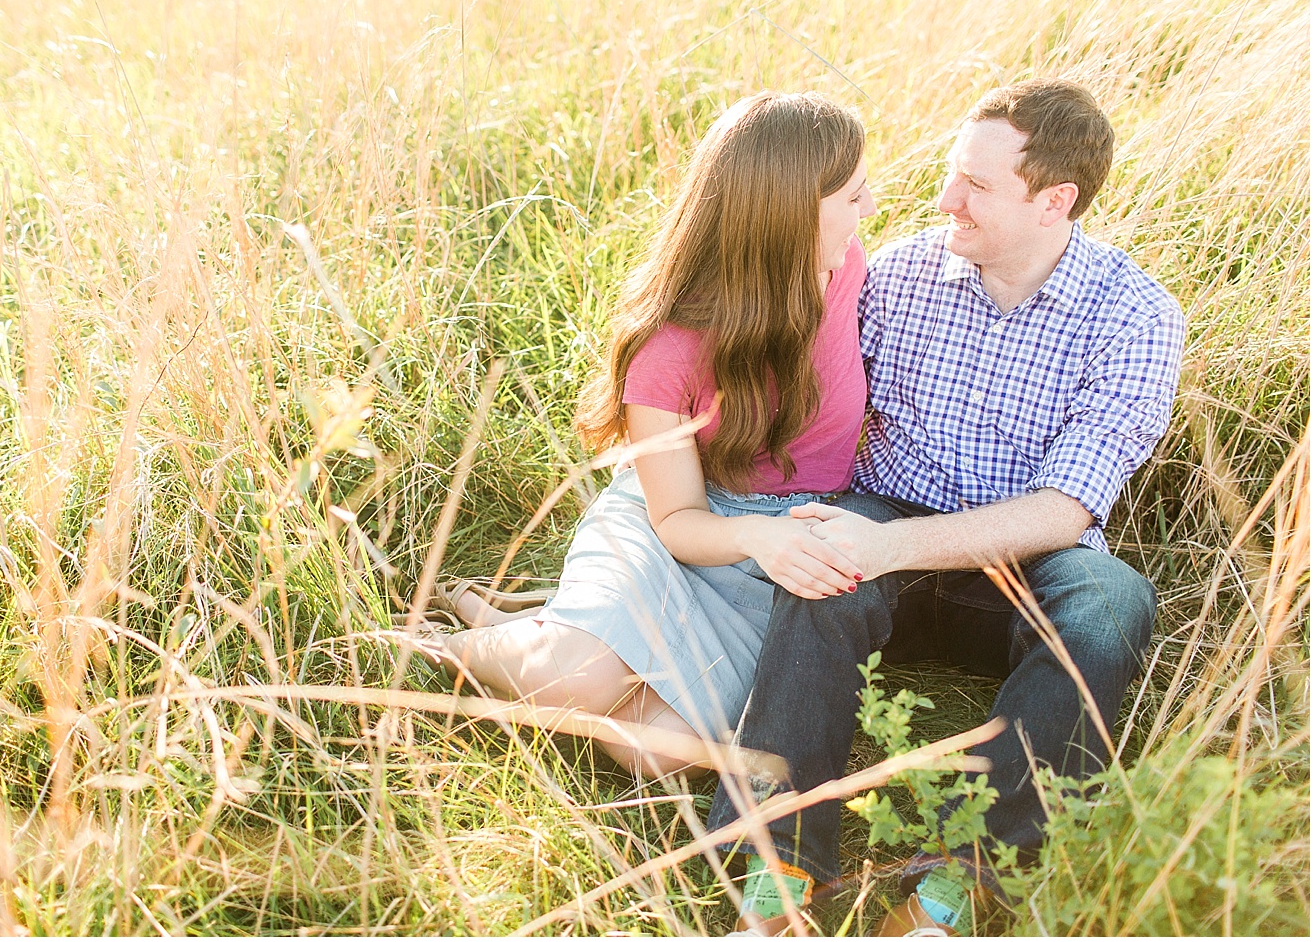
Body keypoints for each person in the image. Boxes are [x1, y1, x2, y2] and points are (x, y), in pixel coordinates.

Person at [708, 79, 1185, 936]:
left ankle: (954, 885)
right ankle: (778, 866)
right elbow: (794, 401)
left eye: (977, 185)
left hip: (1028, 558)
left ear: (1055, 200)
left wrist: (889, 550)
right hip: (887, 517)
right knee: (820, 559)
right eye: (950, 172)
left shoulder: (1136, 314)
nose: (944, 198)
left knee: (1114, 602)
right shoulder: (897, 276)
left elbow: (1066, 509)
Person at [418, 91, 878, 779]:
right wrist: (757, 533)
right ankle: (446, 647)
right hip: (679, 529)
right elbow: (678, 518)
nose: (868, 209)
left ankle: (528, 619)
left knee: (653, 751)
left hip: (777, 560)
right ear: (785, 216)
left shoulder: (843, 270)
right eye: (853, 195)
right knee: (577, 677)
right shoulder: (667, 351)